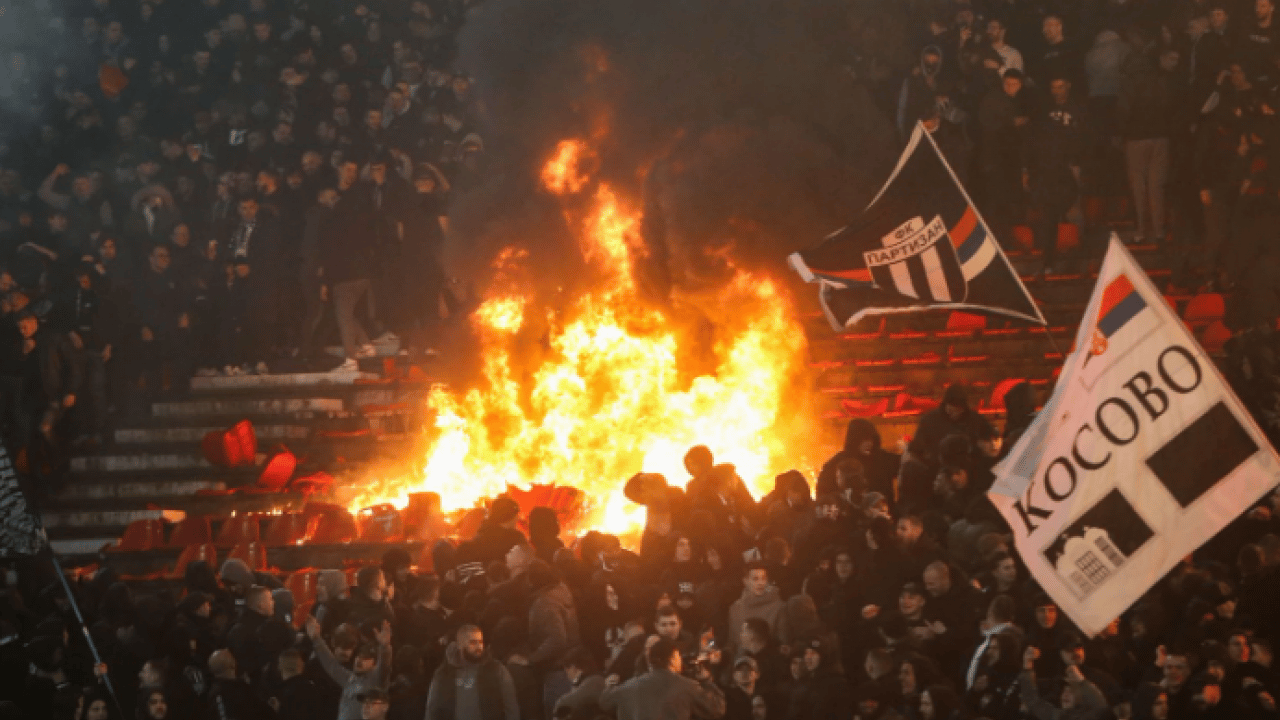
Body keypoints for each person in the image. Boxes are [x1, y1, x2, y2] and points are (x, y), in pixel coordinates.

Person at [598, 638, 727, 720]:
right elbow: (717, 709)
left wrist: (609, 685)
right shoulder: (688, 686)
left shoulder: (628, 686)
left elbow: (604, 702)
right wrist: (706, 680)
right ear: (673, 658)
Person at [424, 625, 520, 720]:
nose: (479, 646)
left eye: (481, 642)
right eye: (473, 642)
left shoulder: (496, 670)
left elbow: (511, 707)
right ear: (460, 645)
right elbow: (432, 708)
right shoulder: (444, 673)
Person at [305, 617, 392, 720]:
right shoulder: (349, 679)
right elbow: (331, 664)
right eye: (359, 656)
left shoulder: (376, 681)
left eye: (366, 658)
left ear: (374, 664)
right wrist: (316, 639)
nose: (359, 660)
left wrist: (385, 647)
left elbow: (384, 666)